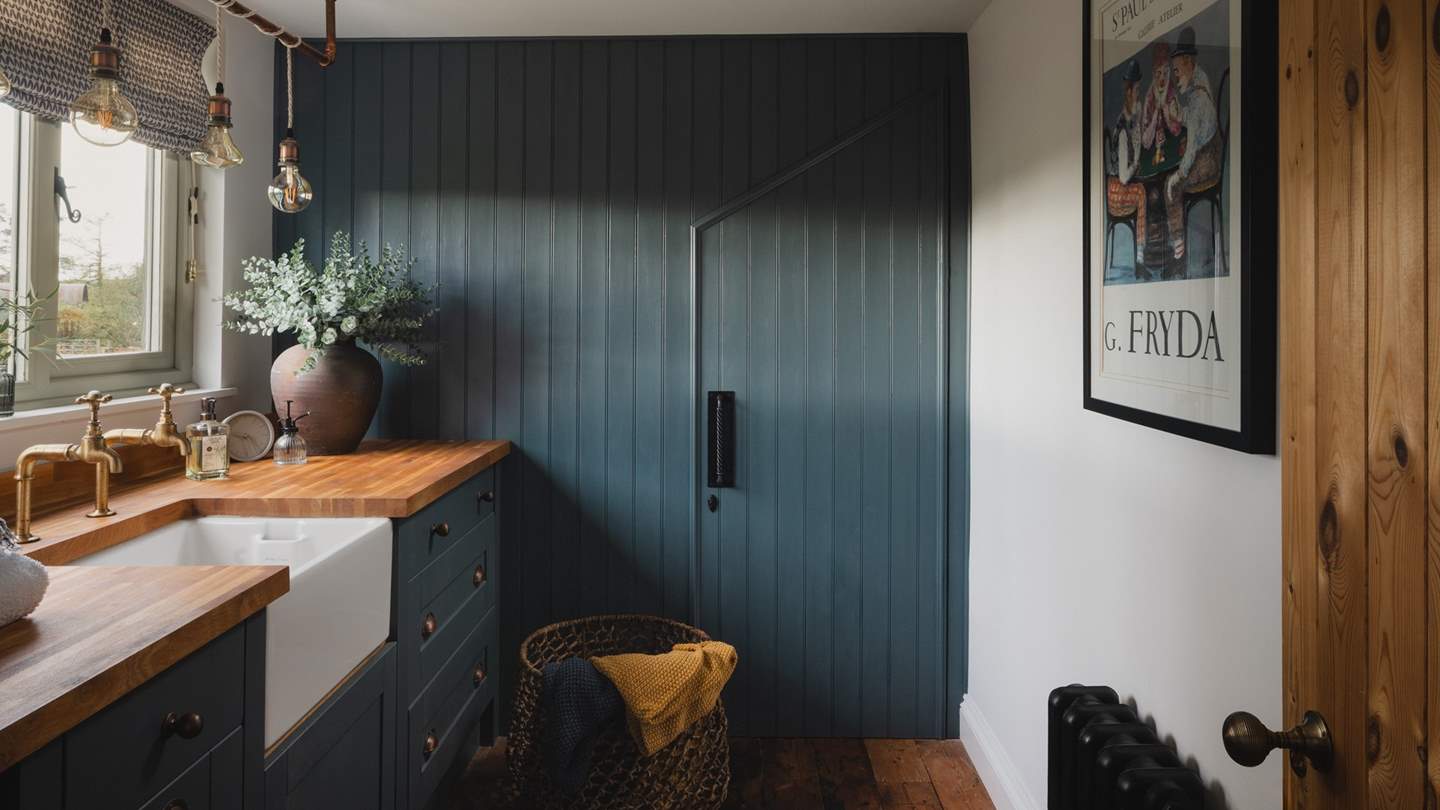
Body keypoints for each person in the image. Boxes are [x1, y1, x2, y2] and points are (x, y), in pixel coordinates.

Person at [1165, 26, 1222, 276]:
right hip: (1210, 151)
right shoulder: (1201, 82)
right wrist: (1180, 115)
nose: (1176, 78)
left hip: (1208, 161)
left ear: (1189, 63)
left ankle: (1179, 255)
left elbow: (1190, 153)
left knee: (1171, 186)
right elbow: (1197, 122)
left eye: (1177, 71)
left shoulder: (1197, 98)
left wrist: (1178, 175)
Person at [1105, 60, 1148, 276]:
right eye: (1137, 89)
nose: (1139, 94)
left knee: (1145, 186)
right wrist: (1137, 161)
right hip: (1115, 191)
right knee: (1141, 191)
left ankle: (1151, 250)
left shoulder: (1135, 113)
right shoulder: (1122, 130)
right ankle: (1140, 259)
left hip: (1124, 179)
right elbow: (1123, 177)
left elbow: (1140, 135)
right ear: (1129, 91)